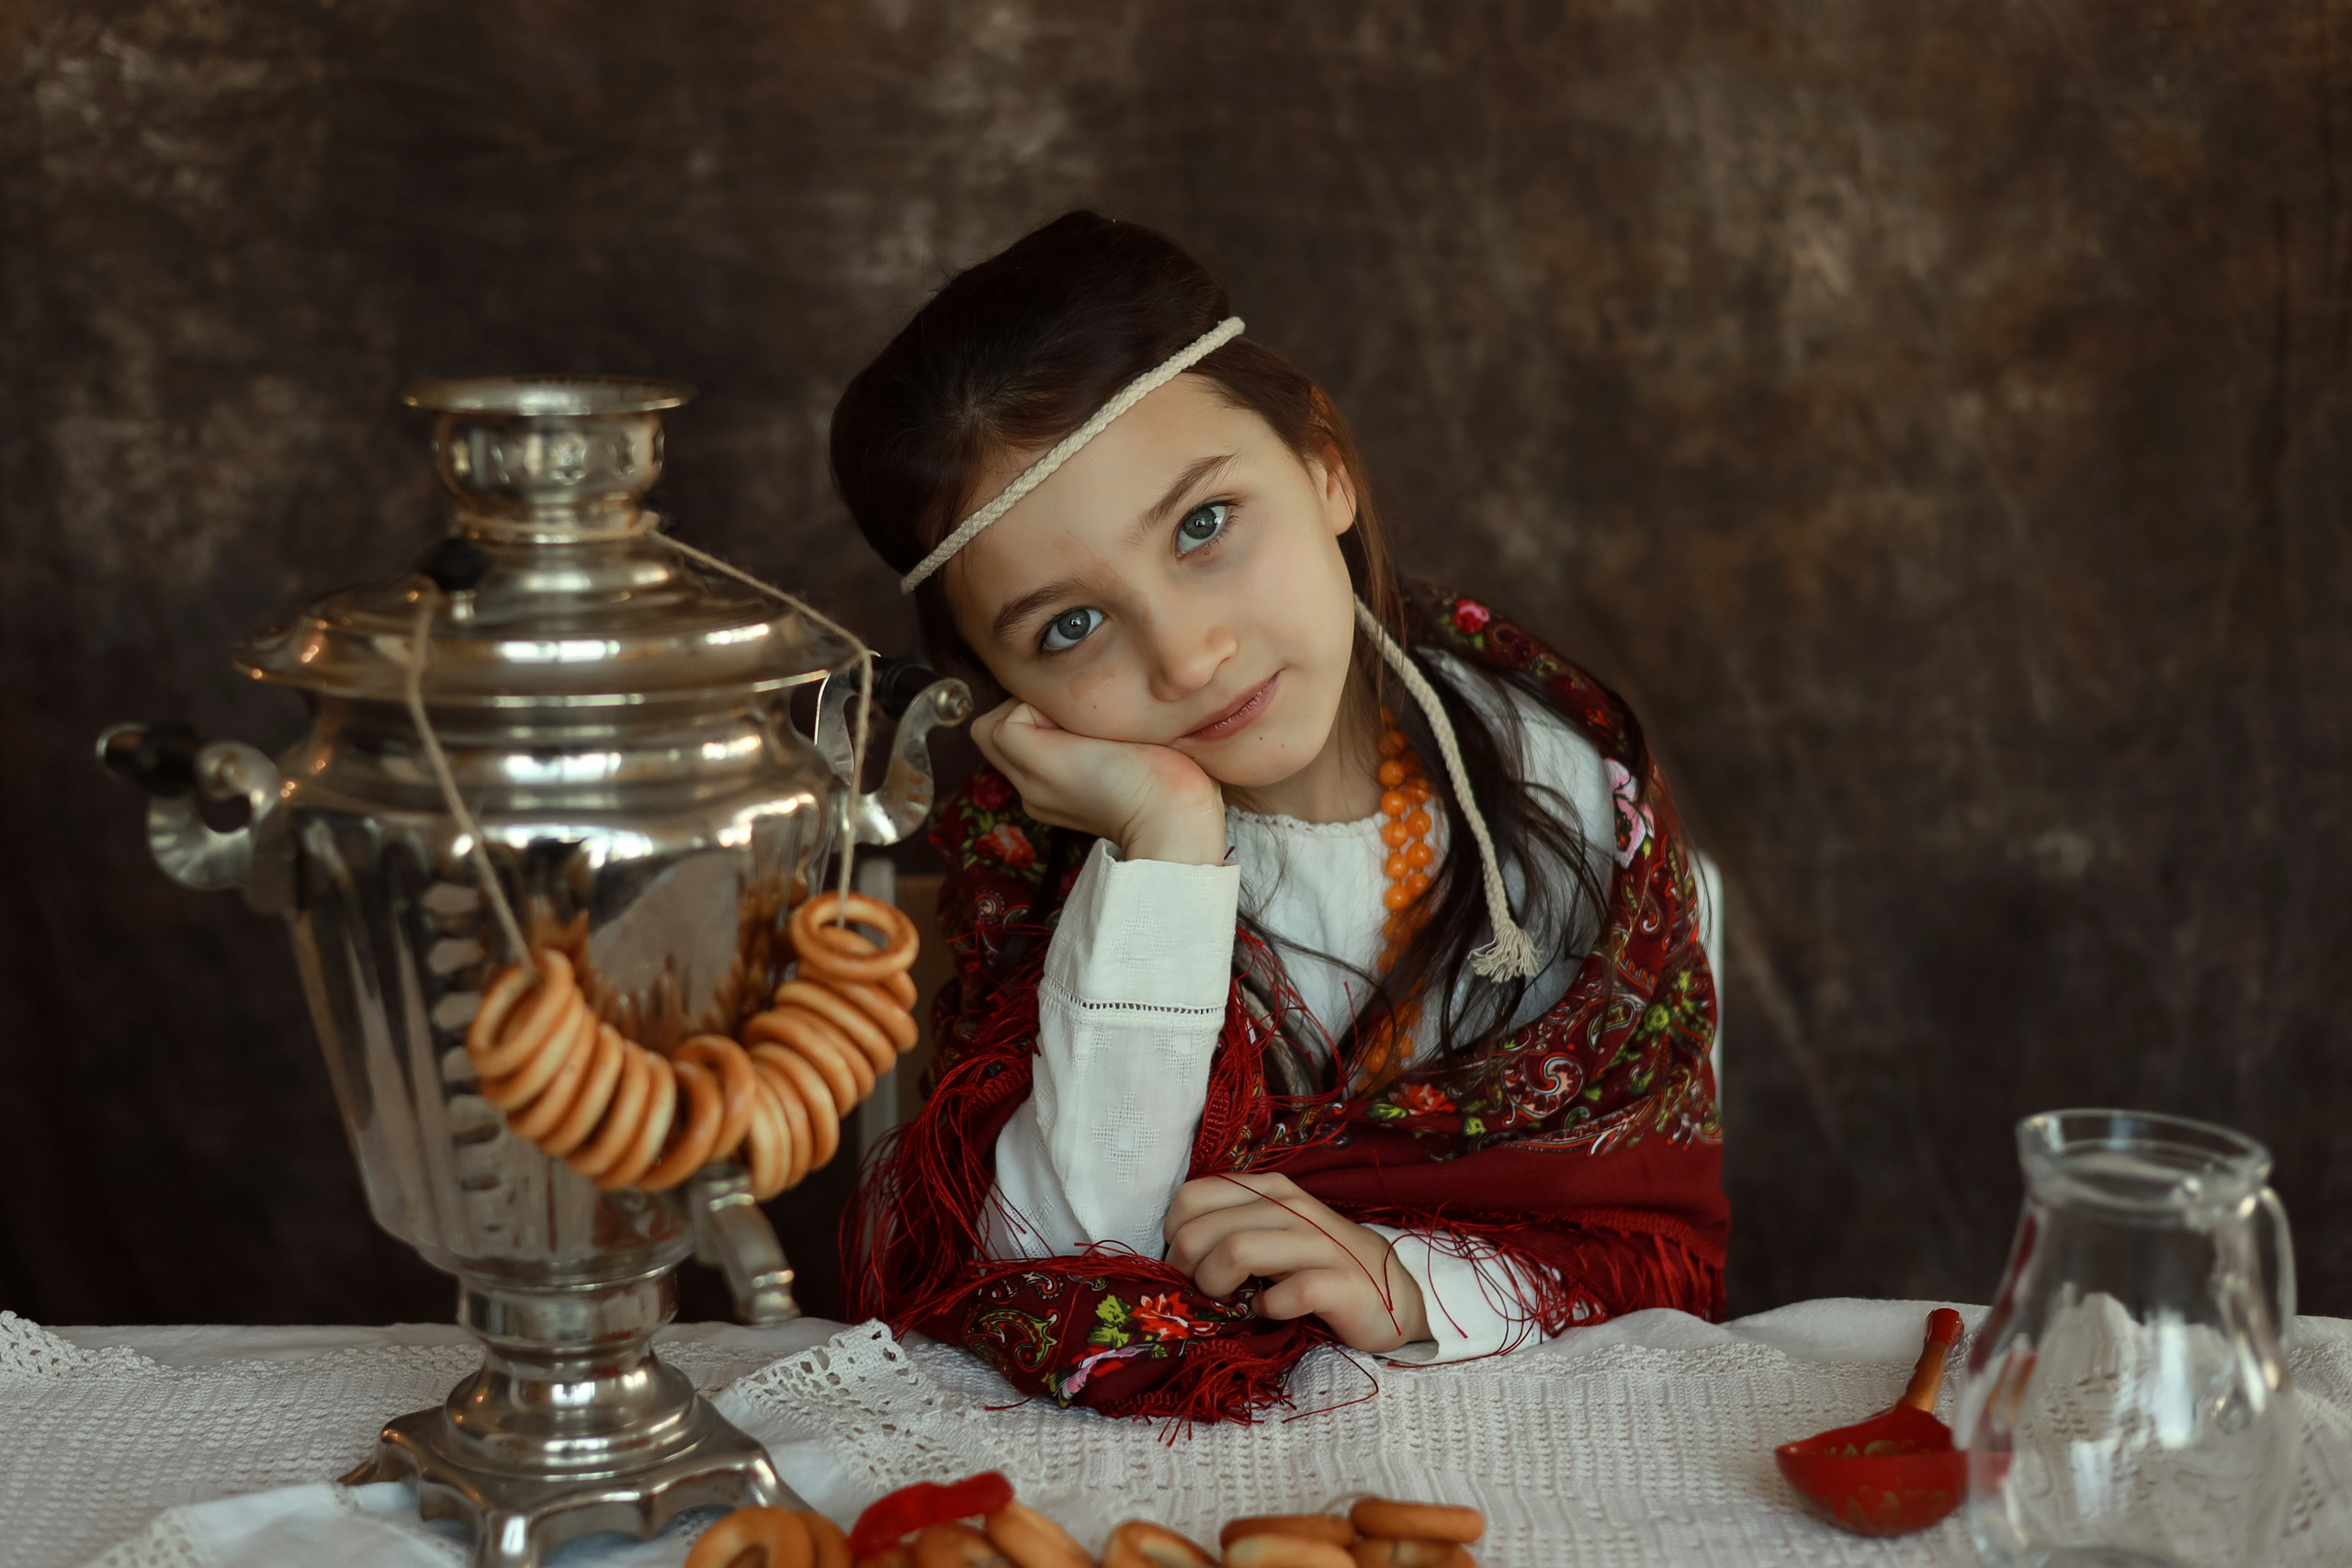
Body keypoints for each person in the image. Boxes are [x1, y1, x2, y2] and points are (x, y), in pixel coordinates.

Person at [835, 212, 1725, 1422]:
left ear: (1323, 465)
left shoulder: (1560, 795)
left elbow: (1651, 1245)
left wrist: (1411, 1283)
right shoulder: (1040, 874)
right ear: (1003, 691)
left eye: (1203, 525)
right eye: (1069, 628)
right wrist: (1165, 842)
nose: (1188, 656)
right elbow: (1055, 1280)